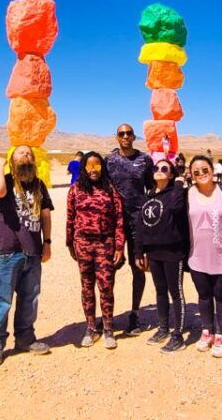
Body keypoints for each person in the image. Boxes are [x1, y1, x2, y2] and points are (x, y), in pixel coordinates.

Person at [0, 146, 53, 366]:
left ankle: (25, 339)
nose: (26, 155)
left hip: (33, 252)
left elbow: (45, 216)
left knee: (29, 299)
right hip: (7, 252)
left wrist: (47, 243)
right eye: (21, 152)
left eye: (29, 154)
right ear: (11, 159)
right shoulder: (4, 181)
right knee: (3, 301)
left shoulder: (39, 186)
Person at [66, 152, 124, 349]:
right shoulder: (75, 190)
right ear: (83, 168)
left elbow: (119, 221)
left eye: (97, 165)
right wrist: (69, 243)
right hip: (82, 244)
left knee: (106, 286)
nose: (93, 170)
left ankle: (108, 328)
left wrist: (119, 246)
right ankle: (91, 328)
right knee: (87, 287)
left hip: (105, 244)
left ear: (102, 167)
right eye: (89, 166)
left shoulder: (110, 190)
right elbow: (70, 218)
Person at [105, 124, 155, 336]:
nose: (125, 136)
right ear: (116, 137)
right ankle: (109, 316)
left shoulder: (144, 160)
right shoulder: (109, 161)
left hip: (138, 221)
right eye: (121, 134)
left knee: (139, 267)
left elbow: (152, 188)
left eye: (129, 133)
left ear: (134, 136)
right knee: (110, 268)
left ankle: (134, 314)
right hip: (113, 221)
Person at [134, 158, 188, 353]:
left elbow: (176, 208)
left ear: (171, 174)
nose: (159, 170)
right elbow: (140, 226)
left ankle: (178, 335)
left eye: (164, 168)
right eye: (156, 168)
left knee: (176, 293)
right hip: (153, 252)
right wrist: (139, 251)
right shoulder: (148, 196)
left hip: (173, 251)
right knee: (160, 291)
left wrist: (180, 182)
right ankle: (164, 328)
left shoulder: (176, 193)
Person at [187, 156, 222, 358]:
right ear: (191, 175)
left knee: (221, 297)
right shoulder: (187, 194)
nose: (201, 174)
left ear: (212, 170)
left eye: (204, 169)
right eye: (196, 172)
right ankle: (207, 331)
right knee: (204, 296)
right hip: (197, 256)